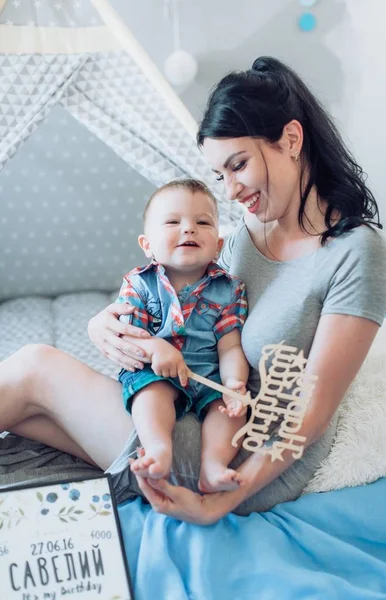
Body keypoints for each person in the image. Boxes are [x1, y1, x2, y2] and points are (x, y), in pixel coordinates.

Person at [1, 56, 385, 525]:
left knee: (34, 369)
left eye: (238, 165)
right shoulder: (250, 229)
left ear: (291, 139)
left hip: (233, 457)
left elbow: (311, 413)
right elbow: (180, 290)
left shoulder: (355, 252)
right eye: (220, 175)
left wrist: (217, 503)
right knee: (26, 413)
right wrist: (104, 320)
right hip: (189, 413)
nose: (231, 191)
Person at [115, 178, 249, 492]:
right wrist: (153, 348)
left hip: (206, 376)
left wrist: (233, 383)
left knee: (229, 412)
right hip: (155, 373)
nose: (189, 229)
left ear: (218, 245)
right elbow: (127, 334)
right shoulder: (139, 283)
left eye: (202, 222)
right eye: (173, 222)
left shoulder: (229, 289)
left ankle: (213, 465)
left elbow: (230, 345)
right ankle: (159, 449)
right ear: (147, 245)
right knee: (151, 394)